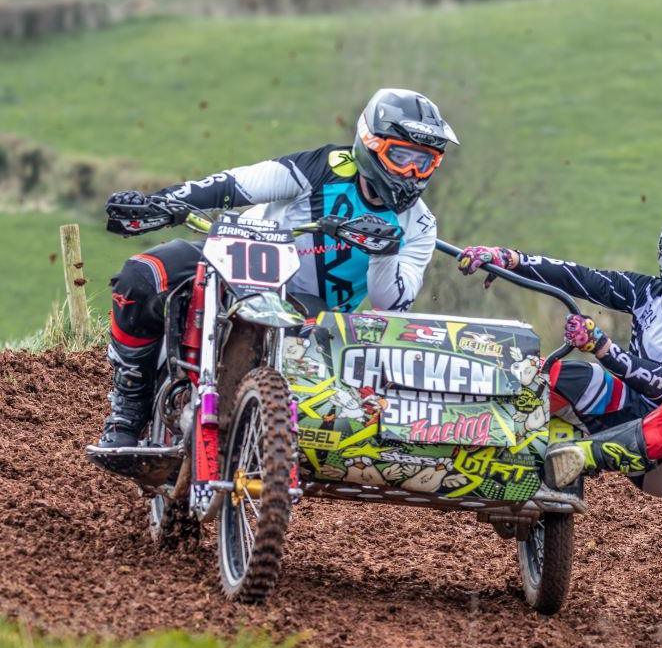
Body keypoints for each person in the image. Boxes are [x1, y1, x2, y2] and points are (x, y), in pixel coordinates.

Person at [95, 88, 457, 449]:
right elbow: (239, 184)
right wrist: (159, 203)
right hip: (240, 254)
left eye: (423, 163)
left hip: (312, 312)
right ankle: (129, 401)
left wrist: (385, 252)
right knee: (143, 275)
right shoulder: (323, 168)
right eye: (402, 157)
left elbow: (389, 306)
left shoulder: (420, 225)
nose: (411, 174)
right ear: (370, 143)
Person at [456, 206, 662, 498]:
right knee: (552, 373)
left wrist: (601, 346)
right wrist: (511, 260)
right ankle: (475, 436)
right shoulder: (648, 293)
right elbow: (582, 278)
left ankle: (580, 456)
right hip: (632, 414)